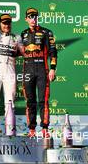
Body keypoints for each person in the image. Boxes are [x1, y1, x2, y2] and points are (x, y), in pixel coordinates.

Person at [21, 8, 57, 137]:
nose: (33, 19)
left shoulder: (46, 32)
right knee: (30, 101)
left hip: (42, 68)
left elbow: (53, 52)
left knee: (43, 100)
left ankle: (45, 129)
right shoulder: (23, 34)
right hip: (28, 70)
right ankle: (31, 130)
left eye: (35, 16)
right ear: (26, 19)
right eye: (30, 16)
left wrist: (53, 68)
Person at [0, 14, 22, 130]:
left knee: (10, 101)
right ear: (0, 24)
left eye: (8, 23)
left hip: (10, 71)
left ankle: (9, 128)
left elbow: (23, 51)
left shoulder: (17, 38)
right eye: (4, 23)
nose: (6, 25)